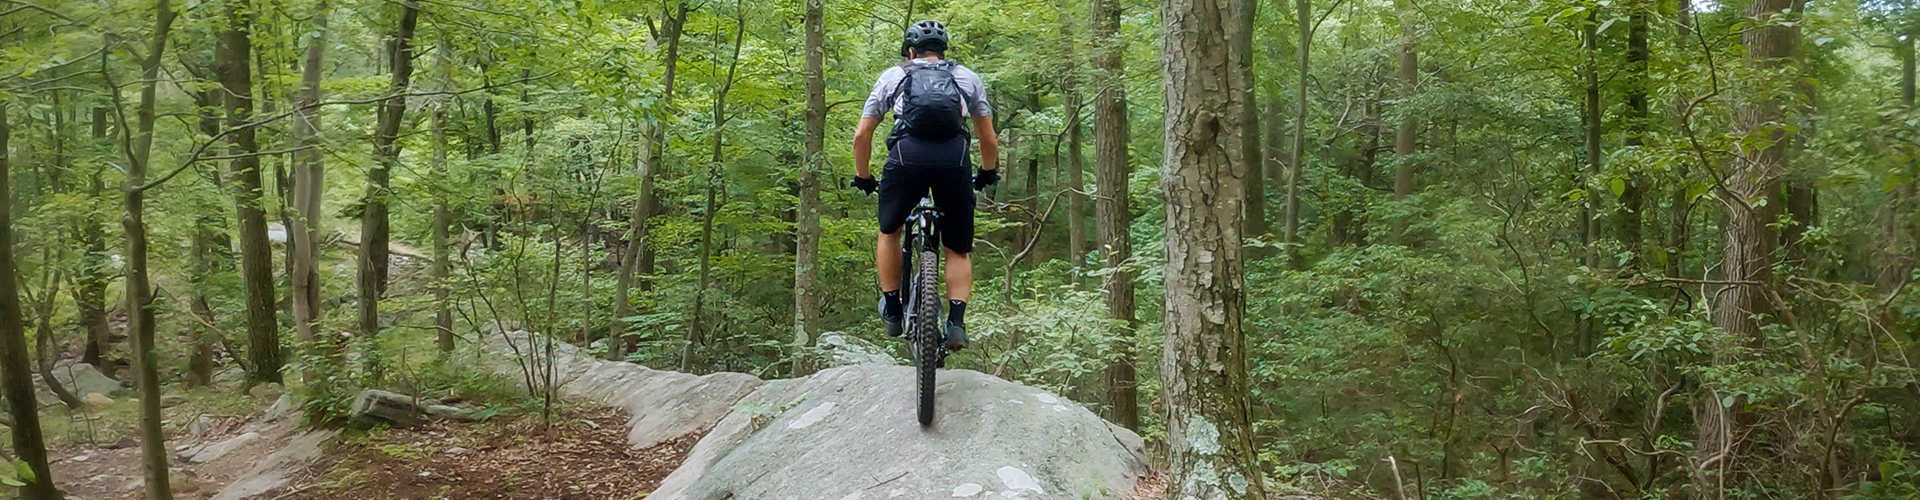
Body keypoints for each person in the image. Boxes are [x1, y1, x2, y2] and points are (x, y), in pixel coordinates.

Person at [850, 20, 1000, 353]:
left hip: (906, 159)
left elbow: (862, 135)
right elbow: (988, 138)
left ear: (911, 52)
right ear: (944, 52)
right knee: (957, 248)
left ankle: (892, 308)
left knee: (889, 231)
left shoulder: (894, 76)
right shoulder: (966, 77)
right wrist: (987, 171)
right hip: (953, 160)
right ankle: (956, 323)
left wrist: (863, 176)